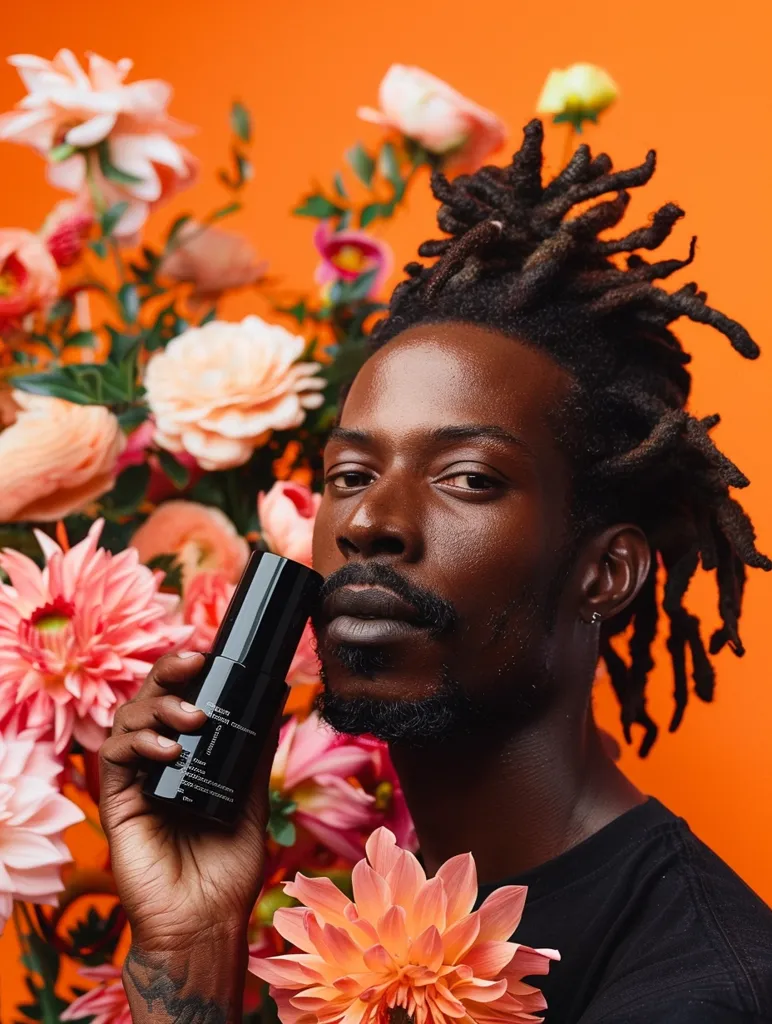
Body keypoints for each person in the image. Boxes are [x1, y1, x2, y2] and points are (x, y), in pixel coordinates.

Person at [99, 120, 772, 1024]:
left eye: (467, 478)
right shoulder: (365, 929)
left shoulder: (704, 988)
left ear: (606, 573)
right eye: (349, 476)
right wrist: (190, 941)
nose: (371, 522)